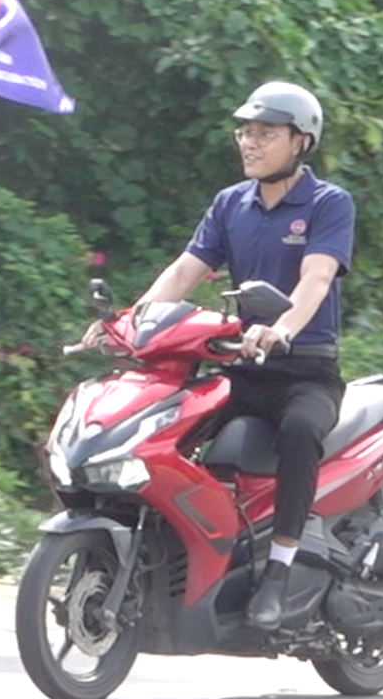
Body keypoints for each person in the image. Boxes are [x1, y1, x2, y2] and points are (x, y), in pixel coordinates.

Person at [129, 81, 354, 631]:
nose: (250, 143)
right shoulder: (232, 204)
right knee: (165, 427)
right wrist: (130, 323)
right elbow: (185, 271)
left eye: (265, 134)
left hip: (305, 370)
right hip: (241, 367)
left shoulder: (328, 204)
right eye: (246, 132)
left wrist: (281, 328)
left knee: (300, 431)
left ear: (301, 141)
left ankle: (280, 567)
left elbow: (316, 277)